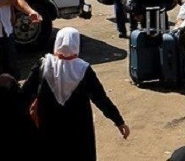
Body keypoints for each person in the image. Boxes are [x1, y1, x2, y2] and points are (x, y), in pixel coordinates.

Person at [22, 27, 129, 161]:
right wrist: (119, 121)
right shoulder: (83, 69)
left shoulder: (44, 65)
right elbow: (101, 99)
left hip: (49, 127)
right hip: (78, 130)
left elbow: (25, 94)